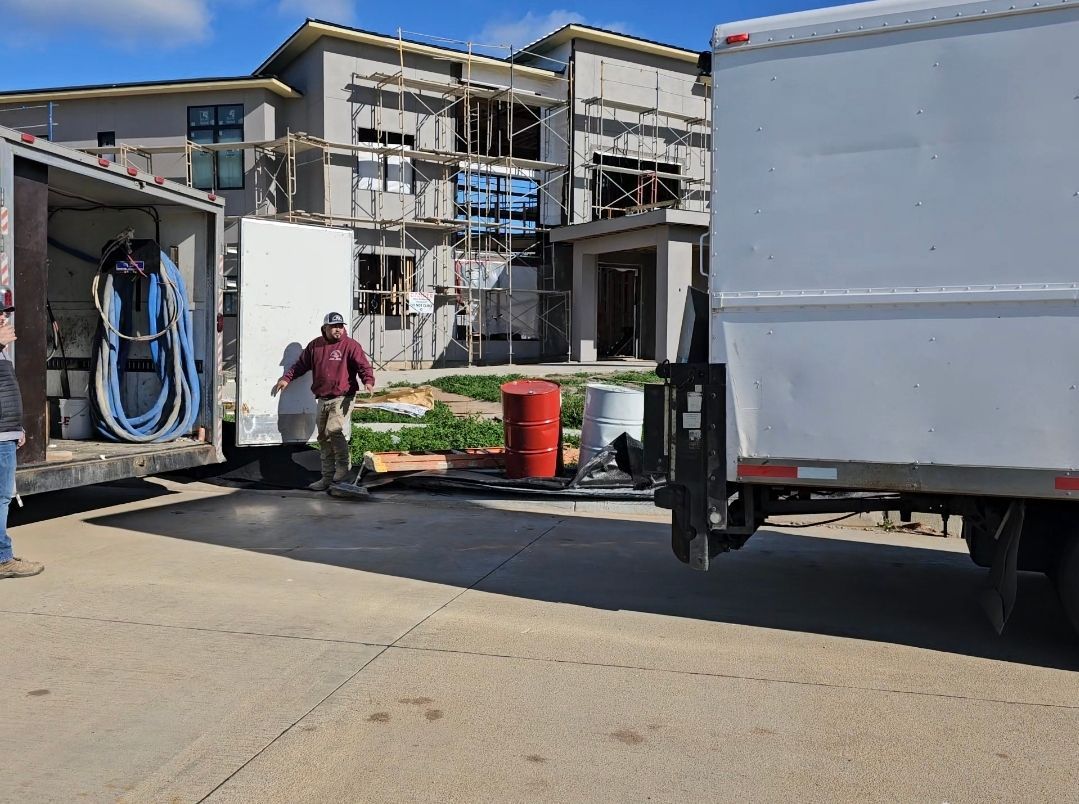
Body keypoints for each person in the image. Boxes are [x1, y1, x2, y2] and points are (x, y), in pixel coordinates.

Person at [273, 312, 375, 491]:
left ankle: (343, 465)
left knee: (333, 429)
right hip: (322, 397)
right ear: (325, 328)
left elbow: (363, 366)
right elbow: (300, 366)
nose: (338, 330)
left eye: (341, 326)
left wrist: (368, 381)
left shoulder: (350, 345)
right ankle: (326, 479)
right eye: (334, 326)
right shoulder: (315, 346)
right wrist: (286, 379)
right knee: (323, 438)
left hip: (343, 397)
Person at [0, 306, 43, 580]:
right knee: (1, 497)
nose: (4, 319)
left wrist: (17, 428)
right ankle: (2, 559)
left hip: (6, 433)